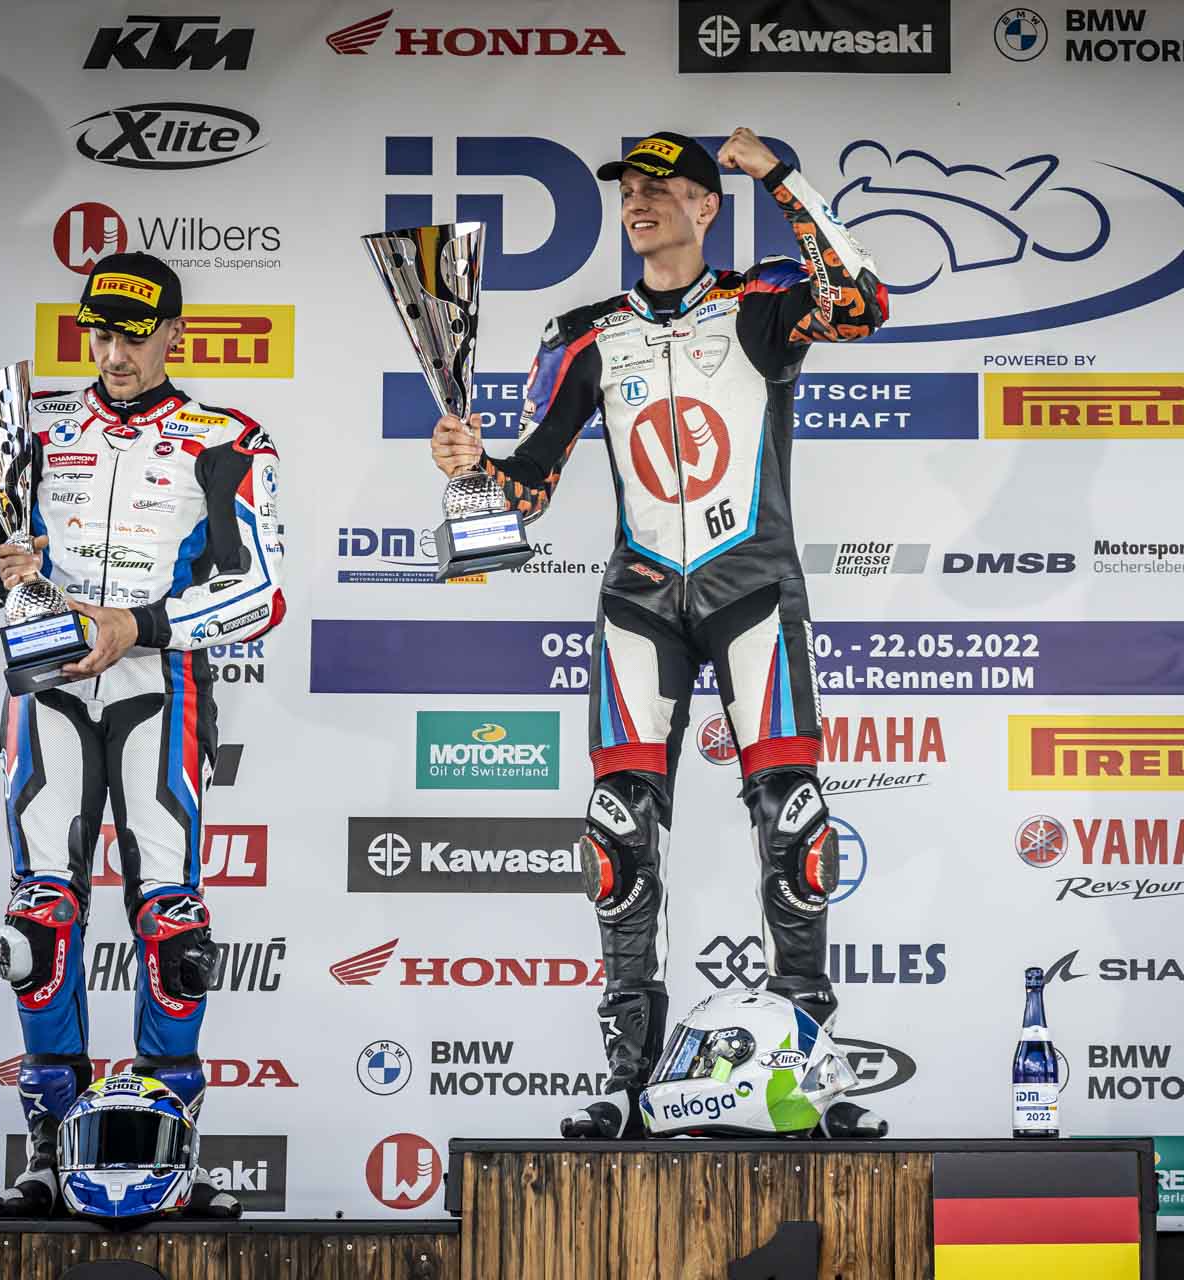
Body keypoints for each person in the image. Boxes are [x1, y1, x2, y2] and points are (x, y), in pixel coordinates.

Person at [429, 128, 888, 1138]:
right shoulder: (586, 333)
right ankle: (630, 1082)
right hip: (639, 599)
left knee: (796, 827)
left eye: (660, 188)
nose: (637, 203)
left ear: (706, 206)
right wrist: (473, 470)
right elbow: (529, 489)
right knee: (619, 836)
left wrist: (780, 176)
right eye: (628, 189)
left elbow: (863, 301)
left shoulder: (764, 303)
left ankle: (807, 1076)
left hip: (753, 587)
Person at [0, 252, 286, 1216]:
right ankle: (49, 1151)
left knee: (174, 929)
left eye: (134, 334)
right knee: (38, 923)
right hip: (46, 685)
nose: (114, 352)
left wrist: (138, 624)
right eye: (99, 332)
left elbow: (259, 593)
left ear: (175, 334)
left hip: (158, 680)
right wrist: (6, 578)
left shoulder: (228, 438)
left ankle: (172, 1149)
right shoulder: (33, 430)